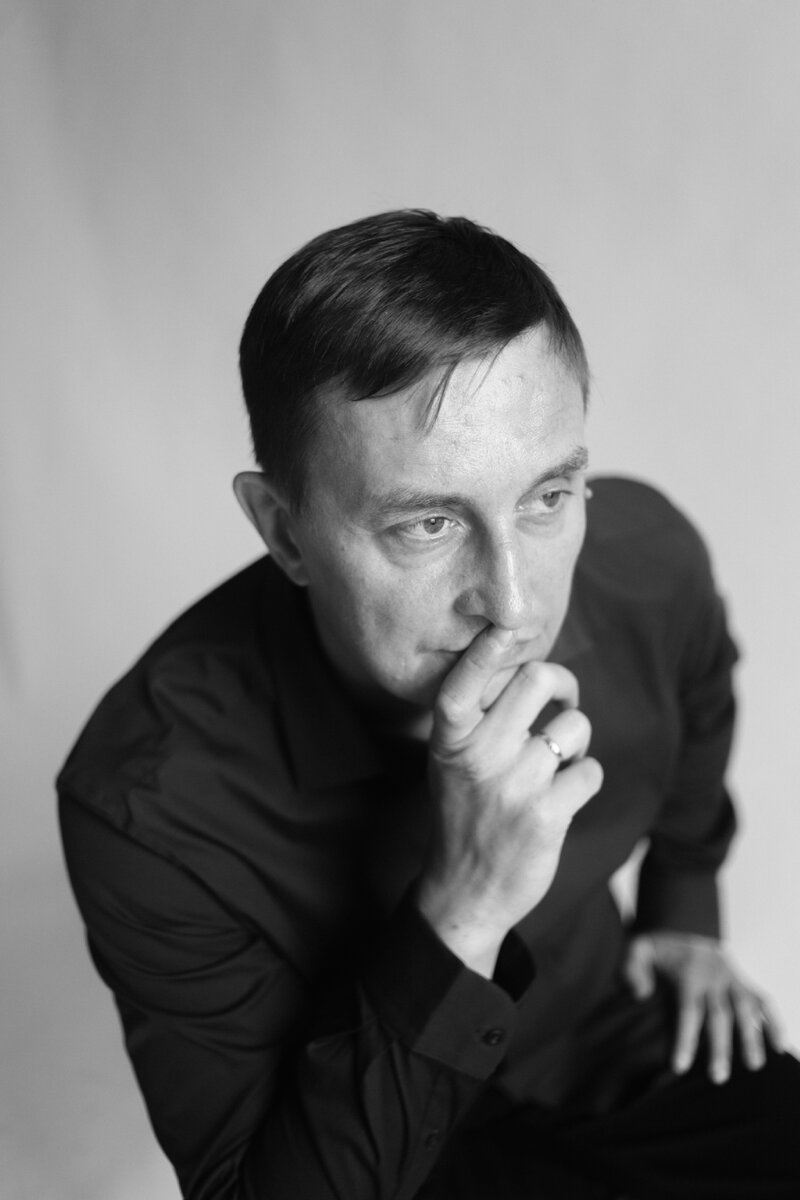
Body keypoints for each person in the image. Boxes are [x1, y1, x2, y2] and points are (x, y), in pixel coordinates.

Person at [57, 210, 800, 1200]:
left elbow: (700, 696)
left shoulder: (648, 567)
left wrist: (685, 908)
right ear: (283, 531)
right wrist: (463, 907)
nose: (515, 605)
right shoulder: (146, 807)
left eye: (547, 497)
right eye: (428, 524)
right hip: (388, 1149)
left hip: (615, 1057)